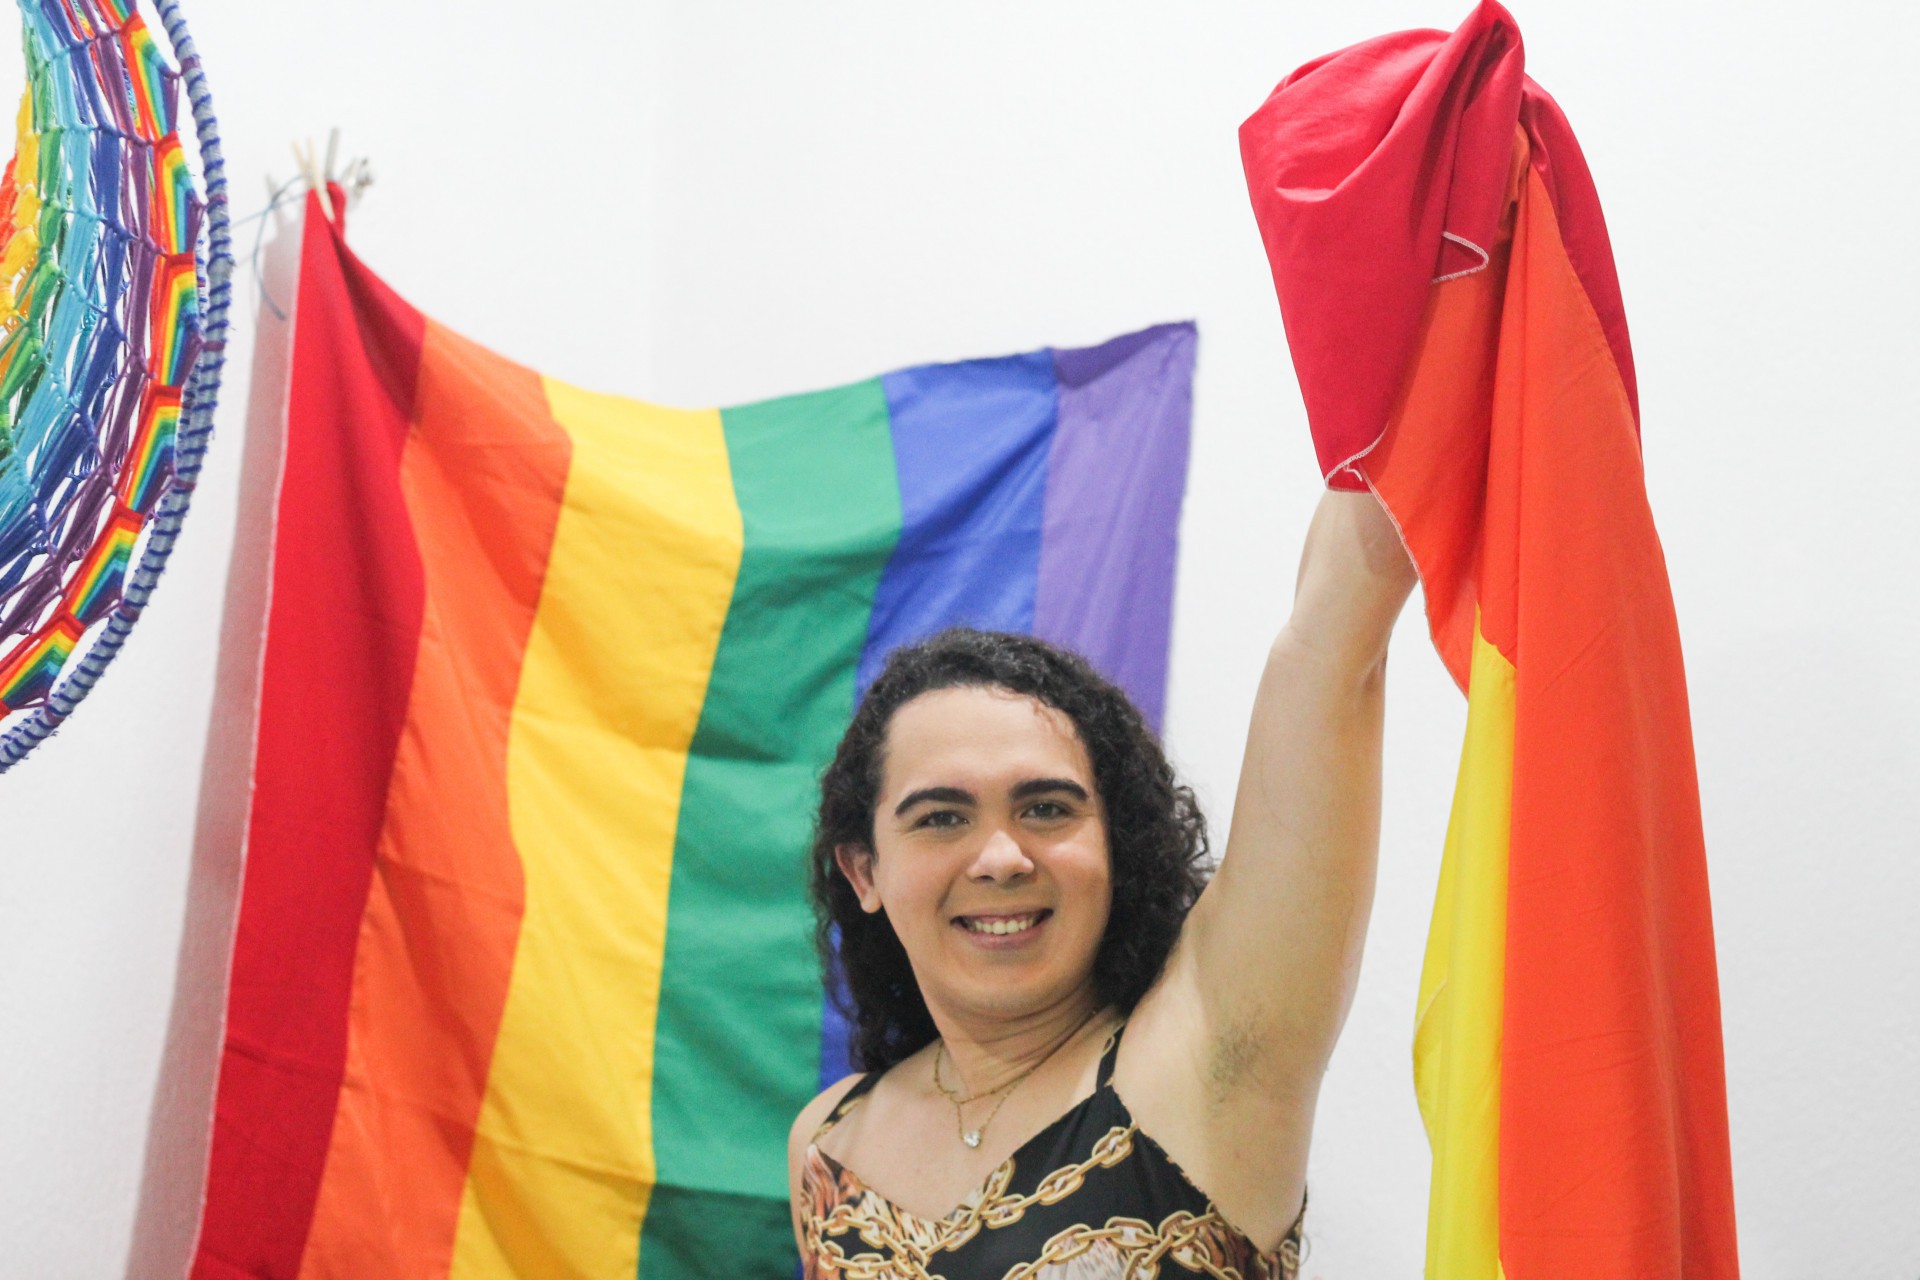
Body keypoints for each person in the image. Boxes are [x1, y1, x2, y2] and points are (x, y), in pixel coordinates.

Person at [789, 489, 1418, 1279]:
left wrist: (1391, 430)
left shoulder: (1207, 1065)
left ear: (1116, 844)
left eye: (1047, 809)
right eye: (942, 818)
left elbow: (1332, 649)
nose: (1001, 857)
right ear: (864, 871)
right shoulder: (828, 1141)